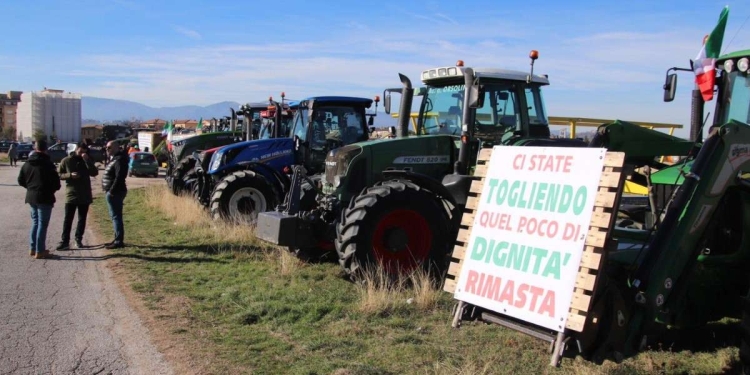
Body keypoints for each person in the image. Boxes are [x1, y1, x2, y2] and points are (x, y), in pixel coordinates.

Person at [17, 138, 61, 259]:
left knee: (35, 222)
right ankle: (40, 250)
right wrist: (50, 189)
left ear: (35, 148)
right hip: (45, 197)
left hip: (31, 196)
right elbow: (57, 184)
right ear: (46, 149)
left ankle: (33, 248)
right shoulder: (48, 164)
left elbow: (20, 180)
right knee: (42, 223)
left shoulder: (27, 163)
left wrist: (30, 187)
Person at [56, 142, 99, 250]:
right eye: (80, 152)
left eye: (84, 152)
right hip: (71, 194)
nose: (81, 154)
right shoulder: (66, 160)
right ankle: (65, 241)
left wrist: (87, 160)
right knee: (68, 219)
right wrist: (69, 175)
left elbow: (94, 173)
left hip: (85, 194)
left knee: (82, 219)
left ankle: (78, 239)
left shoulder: (87, 160)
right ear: (75, 150)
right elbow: (58, 174)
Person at [102, 140, 128, 249]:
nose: (107, 150)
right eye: (106, 148)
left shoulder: (120, 160)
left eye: (109, 147)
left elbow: (119, 177)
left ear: (117, 148)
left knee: (116, 216)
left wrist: (111, 191)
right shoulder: (115, 158)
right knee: (115, 216)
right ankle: (117, 238)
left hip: (115, 192)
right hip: (114, 192)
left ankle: (118, 241)